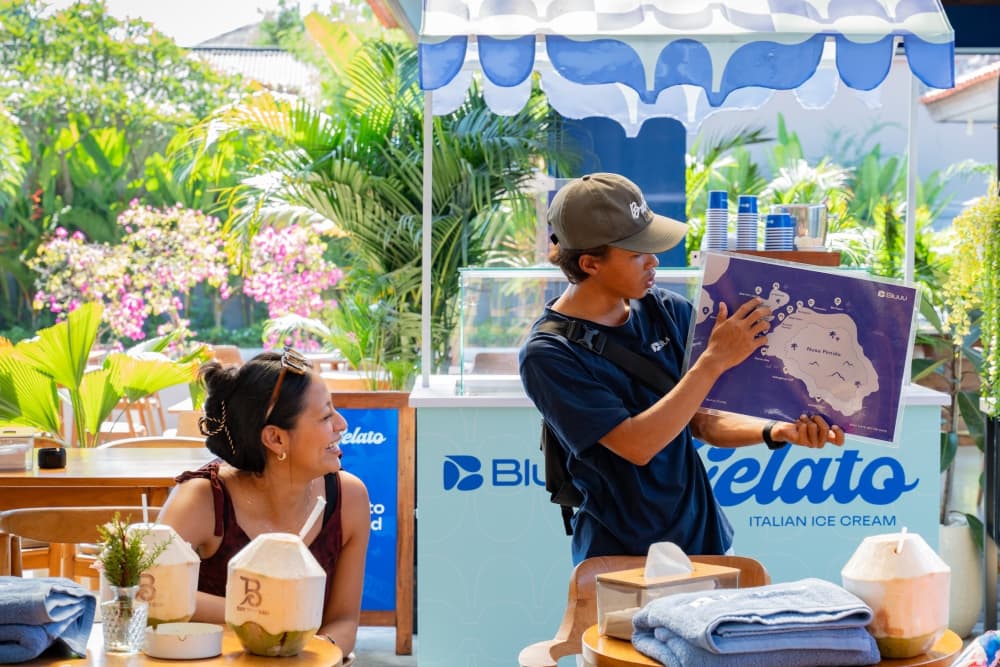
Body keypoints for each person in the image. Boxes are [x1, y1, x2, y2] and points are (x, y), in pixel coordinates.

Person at [518, 172, 845, 565]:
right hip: (619, 556)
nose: (654, 260)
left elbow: (703, 423)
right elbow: (637, 445)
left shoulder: (669, 310)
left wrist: (777, 431)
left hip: (705, 539)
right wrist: (713, 361)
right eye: (638, 252)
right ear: (590, 263)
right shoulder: (549, 353)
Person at [159, 348, 370, 657]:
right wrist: (264, 610)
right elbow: (148, 593)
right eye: (326, 415)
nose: (342, 424)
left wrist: (312, 658)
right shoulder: (203, 500)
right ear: (276, 439)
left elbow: (344, 621)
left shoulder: (348, 499)